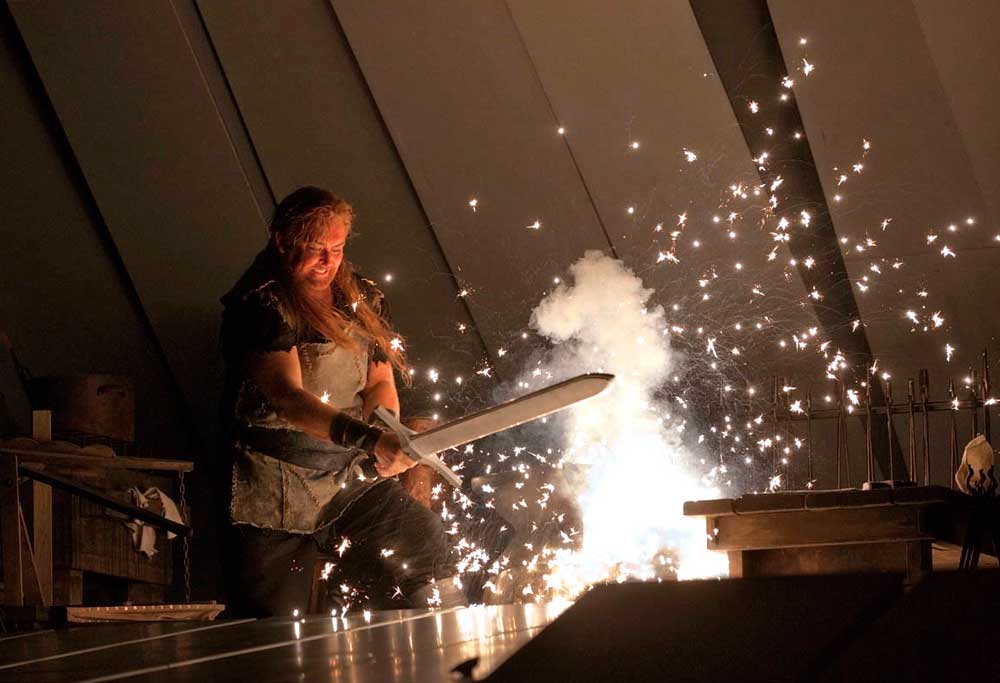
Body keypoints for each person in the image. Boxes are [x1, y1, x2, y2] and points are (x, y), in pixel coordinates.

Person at [218, 186, 466, 617]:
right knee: (275, 622)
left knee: (423, 540)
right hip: (275, 487)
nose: (328, 263)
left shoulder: (362, 298)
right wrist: (370, 440)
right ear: (282, 242)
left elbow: (378, 383)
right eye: (315, 250)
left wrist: (390, 434)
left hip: (347, 477)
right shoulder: (260, 305)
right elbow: (288, 398)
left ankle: (454, 650)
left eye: (336, 248)